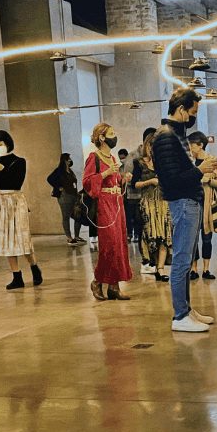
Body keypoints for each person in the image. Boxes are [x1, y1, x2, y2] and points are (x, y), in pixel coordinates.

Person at [151, 88, 217, 332]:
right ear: (181, 109)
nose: (193, 117)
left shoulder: (175, 135)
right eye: (192, 112)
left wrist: (201, 169)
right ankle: (180, 316)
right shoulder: (166, 136)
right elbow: (171, 180)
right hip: (183, 202)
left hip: (188, 202)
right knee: (181, 261)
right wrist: (201, 170)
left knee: (186, 258)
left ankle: (186, 310)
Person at [0, 130, 43, 290]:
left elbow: (16, 182)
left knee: (22, 237)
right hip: (0, 201)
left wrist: (3, 169)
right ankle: (16, 276)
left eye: (0, 144)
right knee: (7, 240)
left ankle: (34, 267)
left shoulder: (19, 161)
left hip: (15, 201)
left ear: (8, 143)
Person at [83, 122, 133, 301]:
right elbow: (87, 182)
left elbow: (115, 180)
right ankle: (97, 281)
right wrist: (105, 174)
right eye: (112, 133)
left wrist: (123, 179)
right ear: (102, 137)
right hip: (104, 204)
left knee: (119, 243)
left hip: (117, 203)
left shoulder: (112, 158)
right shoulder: (94, 157)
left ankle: (114, 286)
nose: (115, 136)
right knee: (109, 244)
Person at [188, 131, 217, 281]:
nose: (190, 147)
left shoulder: (212, 161)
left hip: (207, 206)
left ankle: (206, 269)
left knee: (207, 238)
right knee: (192, 239)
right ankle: (193, 269)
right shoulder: (189, 162)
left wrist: (209, 180)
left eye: (192, 144)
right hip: (192, 204)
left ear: (200, 145)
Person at [134, 134, 172, 282]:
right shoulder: (139, 163)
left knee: (164, 235)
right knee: (151, 236)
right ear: (147, 145)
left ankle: (160, 269)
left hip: (163, 202)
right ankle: (153, 264)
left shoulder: (163, 162)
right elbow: (135, 184)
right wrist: (149, 181)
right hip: (148, 203)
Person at [47, 153, 85, 246]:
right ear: (65, 160)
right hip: (64, 196)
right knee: (66, 216)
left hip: (73, 195)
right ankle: (69, 237)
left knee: (78, 215)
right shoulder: (59, 170)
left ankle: (77, 236)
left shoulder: (70, 171)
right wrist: (58, 187)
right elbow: (49, 179)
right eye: (69, 159)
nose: (70, 160)